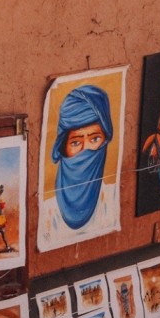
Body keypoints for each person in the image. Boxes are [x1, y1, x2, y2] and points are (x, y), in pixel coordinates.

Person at [41, 84, 116, 246]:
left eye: (95, 139)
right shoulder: (47, 213)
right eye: (75, 142)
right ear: (63, 148)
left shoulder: (113, 200)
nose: (85, 150)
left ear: (105, 140)